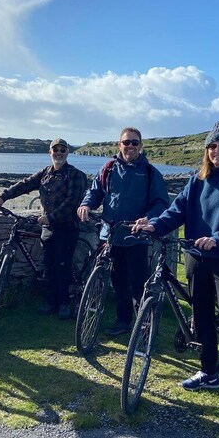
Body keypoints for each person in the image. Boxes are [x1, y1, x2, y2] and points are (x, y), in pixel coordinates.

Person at [132, 120, 219, 420]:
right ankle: (208, 372)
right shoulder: (197, 180)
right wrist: (154, 224)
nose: (218, 151)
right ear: (206, 150)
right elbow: (177, 210)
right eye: (212, 146)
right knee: (201, 317)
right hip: (196, 257)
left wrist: (218, 239)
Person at [77, 127, 169, 336]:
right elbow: (95, 192)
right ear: (119, 145)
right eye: (126, 142)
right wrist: (86, 205)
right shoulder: (108, 168)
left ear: (141, 146)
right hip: (111, 235)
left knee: (139, 284)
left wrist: (148, 218)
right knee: (118, 282)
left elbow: (161, 202)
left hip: (136, 237)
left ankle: (144, 328)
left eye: (134, 143)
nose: (130, 146)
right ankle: (123, 321)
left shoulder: (149, 172)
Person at [0, 138, 88, 319]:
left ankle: (65, 303)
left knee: (62, 266)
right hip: (48, 228)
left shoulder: (76, 175)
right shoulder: (45, 173)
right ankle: (51, 302)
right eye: (55, 150)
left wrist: (50, 217)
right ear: (50, 152)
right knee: (49, 266)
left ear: (67, 153)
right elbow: (25, 184)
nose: (58, 153)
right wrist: (3, 196)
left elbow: (71, 203)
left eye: (62, 150)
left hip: (66, 228)